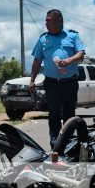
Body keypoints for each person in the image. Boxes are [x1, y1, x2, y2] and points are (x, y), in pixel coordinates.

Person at [28, 9, 85, 147]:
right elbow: (37, 61)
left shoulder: (73, 36)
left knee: (69, 114)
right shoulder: (43, 38)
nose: (46, 24)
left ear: (59, 20)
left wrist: (68, 61)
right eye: (46, 21)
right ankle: (55, 145)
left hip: (69, 83)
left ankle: (69, 143)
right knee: (53, 113)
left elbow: (81, 54)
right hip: (51, 83)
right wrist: (32, 80)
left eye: (49, 21)